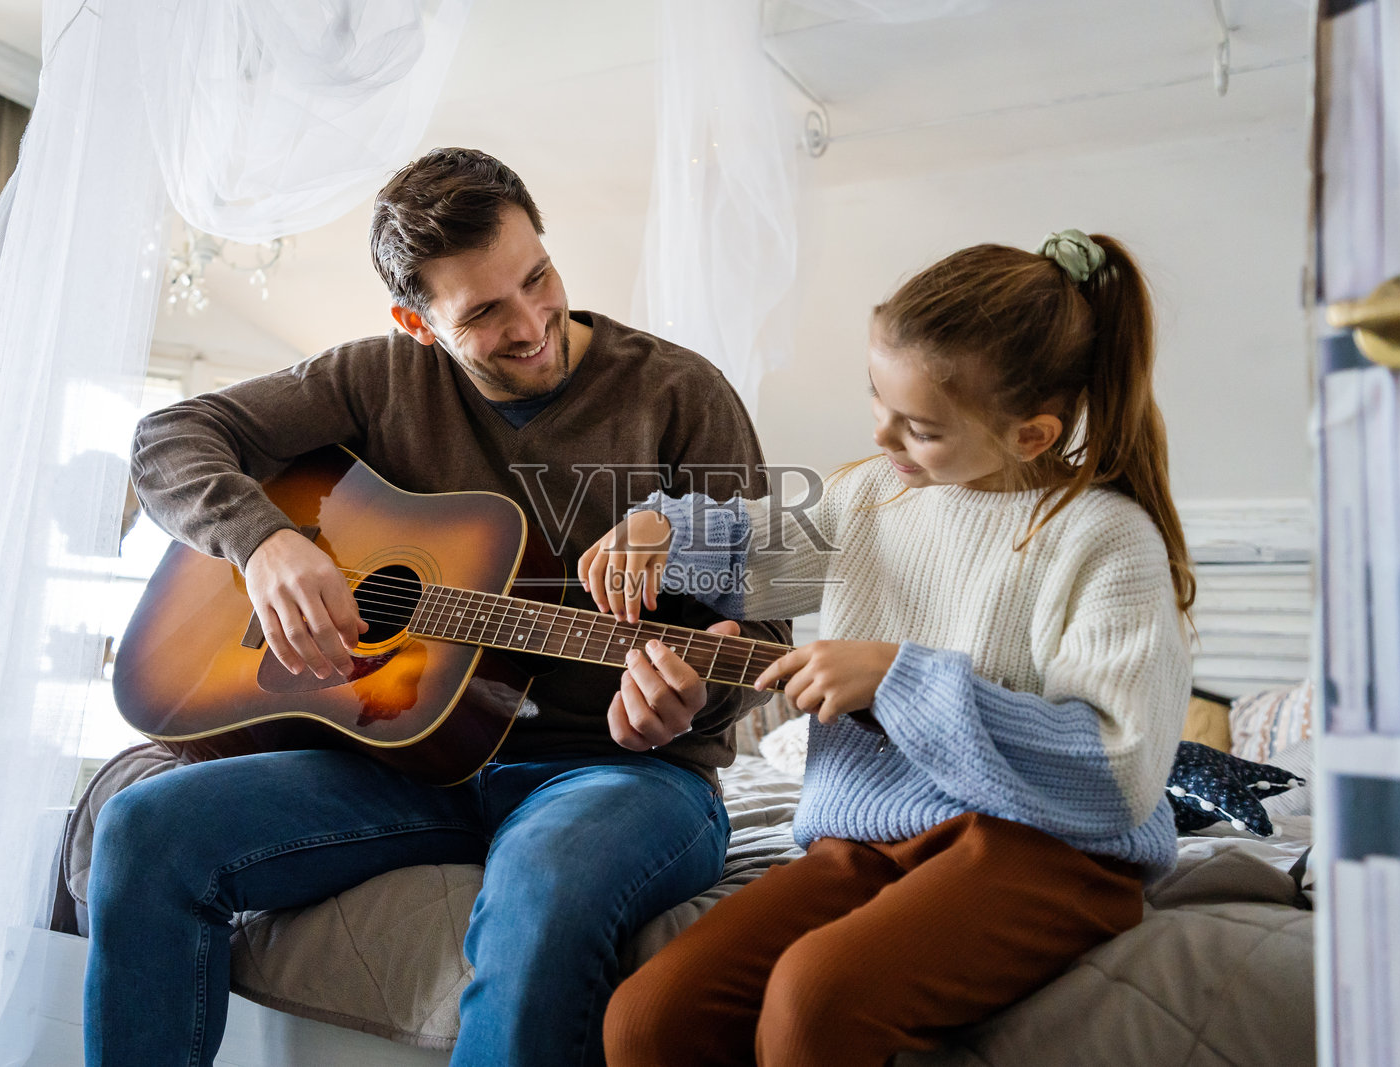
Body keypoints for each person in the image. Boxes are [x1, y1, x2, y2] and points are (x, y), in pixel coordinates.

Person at [84, 147, 788, 1067]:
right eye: (486, 312)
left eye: (539, 277)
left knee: (542, 882)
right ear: (414, 322)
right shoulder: (374, 379)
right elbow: (171, 436)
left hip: (621, 775)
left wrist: (697, 695)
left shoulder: (678, 392)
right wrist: (266, 544)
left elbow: (768, 631)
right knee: (143, 829)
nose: (534, 322)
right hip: (408, 757)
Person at [583, 231, 1196, 1067]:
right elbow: (755, 551)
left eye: (920, 428)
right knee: (647, 1017)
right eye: (877, 399)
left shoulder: (1106, 540)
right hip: (867, 837)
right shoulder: (873, 495)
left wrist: (898, 679)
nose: (883, 437)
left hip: (1049, 849)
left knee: (813, 1000)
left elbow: (1116, 773)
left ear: (1031, 434)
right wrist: (662, 527)